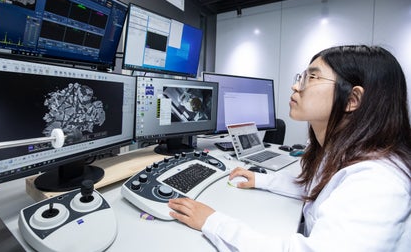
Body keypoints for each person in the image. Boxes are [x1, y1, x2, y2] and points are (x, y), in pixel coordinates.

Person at [168, 45, 411, 251]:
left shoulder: (377, 184)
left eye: (312, 78)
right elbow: (316, 188)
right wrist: (261, 180)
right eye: (301, 77)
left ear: (352, 100)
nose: (296, 87)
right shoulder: (346, 153)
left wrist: (213, 221)